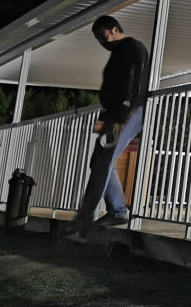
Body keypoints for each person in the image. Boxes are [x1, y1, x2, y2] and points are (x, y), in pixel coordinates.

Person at [61, 15, 149, 233]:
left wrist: (122, 114)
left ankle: (87, 215)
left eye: (103, 37)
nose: (103, 42)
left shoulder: (131, 48)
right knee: (99, 161)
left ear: (114, 30)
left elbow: (133, 81)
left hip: (126, 112)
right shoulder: (121, 50)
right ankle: (116, 211)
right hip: (117, 113)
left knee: (102, 161)